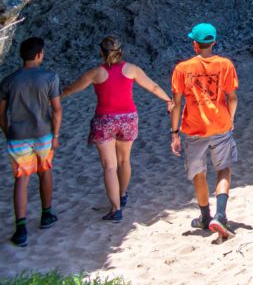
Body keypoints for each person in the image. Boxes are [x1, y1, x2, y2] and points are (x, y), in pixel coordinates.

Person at [61, 36, 171, 222]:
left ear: (100, 52)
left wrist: (52, 98)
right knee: (124, 160)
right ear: (121, 51)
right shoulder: (131, 69)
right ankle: (122, 194)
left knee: (109, 167)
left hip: (105, 120)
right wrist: (168, 100)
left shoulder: (96, 73)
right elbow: (152, 86)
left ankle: (116, 209)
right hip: (128, 119)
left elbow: (71, 89)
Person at [170, 23, 239, 240]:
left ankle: (205, 217)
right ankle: (220, 214)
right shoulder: (225, 64)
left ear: (195, 44)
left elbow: (176, 103)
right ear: (214, 42)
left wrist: (174, 133)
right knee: (223, 169)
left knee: (199, 173)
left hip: (194, 128)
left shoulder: (182, 69)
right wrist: (231, 120)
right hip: (220, 124)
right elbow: (232, 97)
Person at [0, 37, 60, 247]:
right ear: (39, 55)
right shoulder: (49, 77)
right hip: (43, 134)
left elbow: (1, 114)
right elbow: (57, 110)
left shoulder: (8, 80)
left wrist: (9, 132)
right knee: (45, 171)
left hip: (17, 135)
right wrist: (56, 136)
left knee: (21, 179)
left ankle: (21, 228)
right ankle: (46, 215)